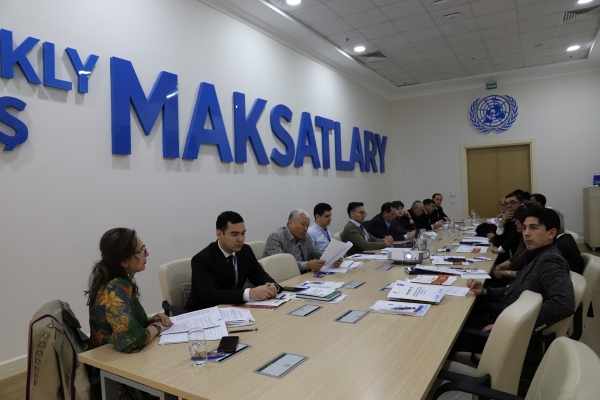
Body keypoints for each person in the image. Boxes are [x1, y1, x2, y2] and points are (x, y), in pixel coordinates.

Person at [455, 207, 575, 380]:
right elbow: (517, 290)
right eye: (525, 227)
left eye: (534, 228)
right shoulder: (538, 254)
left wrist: (512, 325)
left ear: (551, 233)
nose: (526, 233)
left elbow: (564, 303)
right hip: (501, 319)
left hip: (510, 338)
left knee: (447, 335)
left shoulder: (550, 261)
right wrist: (485, 291)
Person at [86, 228, 173, 400]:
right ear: (124, 260)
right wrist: (157, 327)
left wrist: (150, 321)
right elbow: (131, 340)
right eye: (141, 250)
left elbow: (122, 324)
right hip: (118, 376)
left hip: (122, 363)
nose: (147, 254)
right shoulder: (116, 288)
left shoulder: (116, 282)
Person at [185, 211, 281, 311]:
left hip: (233, 309)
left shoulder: (245, 251)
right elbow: (210, 294)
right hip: (204, 312)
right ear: (219, 234)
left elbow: (259, 275)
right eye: (234, 234)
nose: (241, 239)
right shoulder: (201, 260)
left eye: (243, 233)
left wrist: (273, 287)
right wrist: (249, 293)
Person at [264, 209, 342, 272]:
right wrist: (307, 265)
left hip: (302, 278)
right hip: (280, 280)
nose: (306, 229)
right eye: (303, 225)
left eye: (307, 226)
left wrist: (333, 259)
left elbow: (318, 254)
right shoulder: (275, 237)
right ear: (291, 223)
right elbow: (281, 264)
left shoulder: (306, 237)